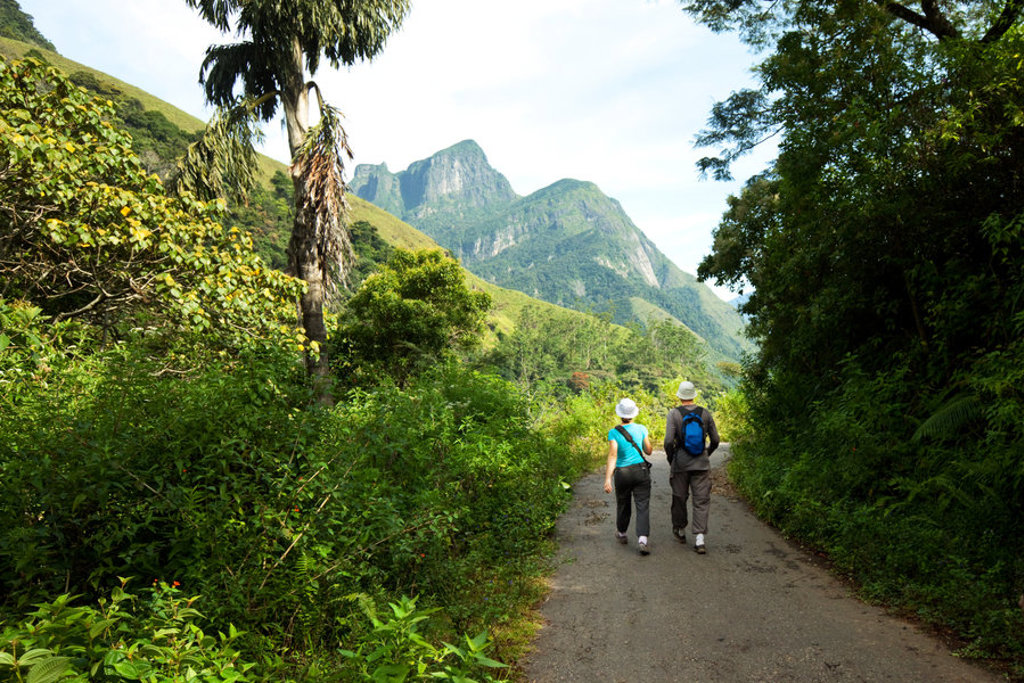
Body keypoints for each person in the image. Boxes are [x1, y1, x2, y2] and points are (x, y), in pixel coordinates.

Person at [663, 381, 720, 554]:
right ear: (694, 395)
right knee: (701, 500)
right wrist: (706, 453)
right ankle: (700, 539)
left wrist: (672, 458)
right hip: (701, 463)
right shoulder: (705, 413)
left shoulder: (673, 414)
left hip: (681, 463)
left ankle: (680, 530)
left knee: (679, 497)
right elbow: (716, 439)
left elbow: (667, 441)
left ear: (679, 396)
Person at [603, 398, 654, 555]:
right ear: (634, 414)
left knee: (623, 503)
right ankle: (643, 539)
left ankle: (622, 533)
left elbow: (613, 455)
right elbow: (649, 451)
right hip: (641, 471)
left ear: (620, 414)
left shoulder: (614, 432)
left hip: (622, 473)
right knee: (642, 505)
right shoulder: (641, 429)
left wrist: (607, 479)